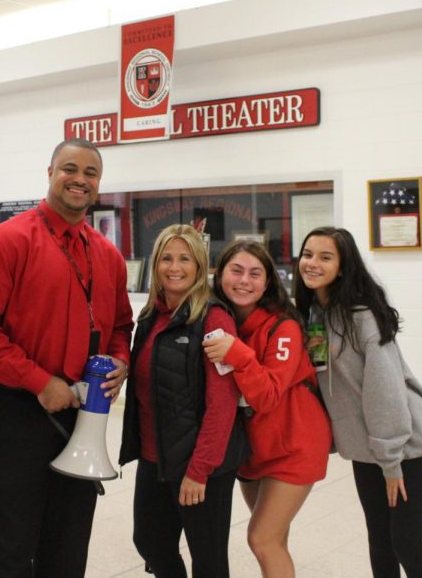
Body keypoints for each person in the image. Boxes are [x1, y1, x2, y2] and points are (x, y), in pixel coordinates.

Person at [0, 137, 134, 578]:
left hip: (83, 417)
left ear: (99, 184)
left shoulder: (108, 255)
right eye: (69, 169)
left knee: (69, 545)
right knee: (12, 548)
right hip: (17, 416)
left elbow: (119, 328)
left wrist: (120, 364)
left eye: (90, 173)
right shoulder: (7, 242)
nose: (80, 179)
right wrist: (40, 382)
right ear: (50, 172)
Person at [294, 226, 422, 578]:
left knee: (406, 540)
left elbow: (385, 390)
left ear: (343, 267)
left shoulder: (362, 316)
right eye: (308, 254)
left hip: (407, 448)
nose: (313, 263)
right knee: (380, 539)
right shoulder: (315, 313)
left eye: (325, 257)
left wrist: (391, 461)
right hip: (366, 449)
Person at [119, 224, 247, 578]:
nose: (174, 267)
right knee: (150, 541)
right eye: (166, 258)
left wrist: (199, 470)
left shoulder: (214, 318)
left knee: (208, 561)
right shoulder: (150, 317)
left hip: (200, 464)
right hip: (155, 458)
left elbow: (223, 405)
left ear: (199, 265)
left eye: (184, 259)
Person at [203, 239, 331, 578]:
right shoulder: (221, 321)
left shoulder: (283, 327)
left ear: (268, 282)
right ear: (220, 275)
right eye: (236, 270)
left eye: (255, 274)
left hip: (294, 447)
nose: (244, 281)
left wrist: (237, 353)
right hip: (252, 449)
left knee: (261, 539)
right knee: (275, 540)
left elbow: (268, 395)